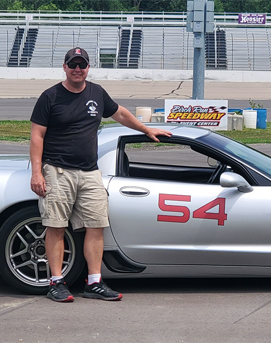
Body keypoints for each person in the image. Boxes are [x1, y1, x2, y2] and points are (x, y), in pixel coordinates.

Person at [29, 47, 172, 303]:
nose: (77, 69)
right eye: (73, 64)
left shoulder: (96, 92)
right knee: (56, 226)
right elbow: (37, 136)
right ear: (64, 67)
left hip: (90, 172)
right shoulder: (50, 96)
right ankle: (56, 282)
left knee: (96, 225)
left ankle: (94, 282)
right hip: (57, 170)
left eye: (82, 64)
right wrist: (37, 173)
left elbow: (120, 113)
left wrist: (146, 129)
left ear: (88, 67)